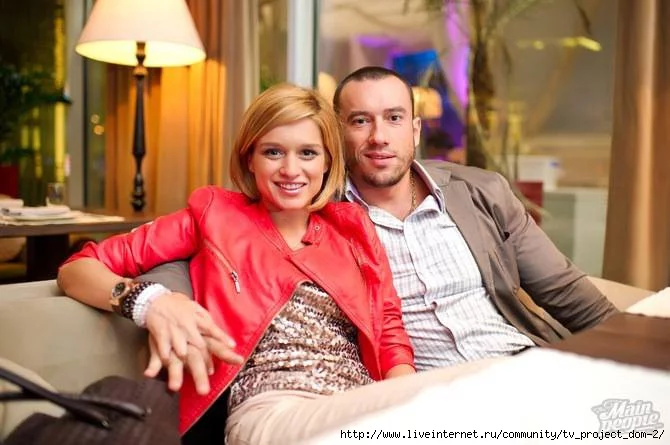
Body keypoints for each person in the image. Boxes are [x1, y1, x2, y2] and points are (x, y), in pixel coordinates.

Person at [136, 66, 618, 378]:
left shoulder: (481, 193)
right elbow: (207, 243)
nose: (379, 137)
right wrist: (163, 300)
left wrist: (642, 356)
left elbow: (564, 292)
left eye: (393, 118)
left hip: (526, 367)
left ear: (415, 129)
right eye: (360, 121)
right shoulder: (313, 210)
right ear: (336, 134)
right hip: (429, 395)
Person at [58, 83, 423, 444]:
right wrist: (150, 302)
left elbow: (389, 331)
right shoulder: (213, 214)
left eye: (308, 153)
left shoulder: (352, 228)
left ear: (327, 161)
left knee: (458, 400)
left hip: (358, 403)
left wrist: (410, 407)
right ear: (250, 158)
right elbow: (76, 269)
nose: (291, 169)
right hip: (273, 407)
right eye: (273, 152)